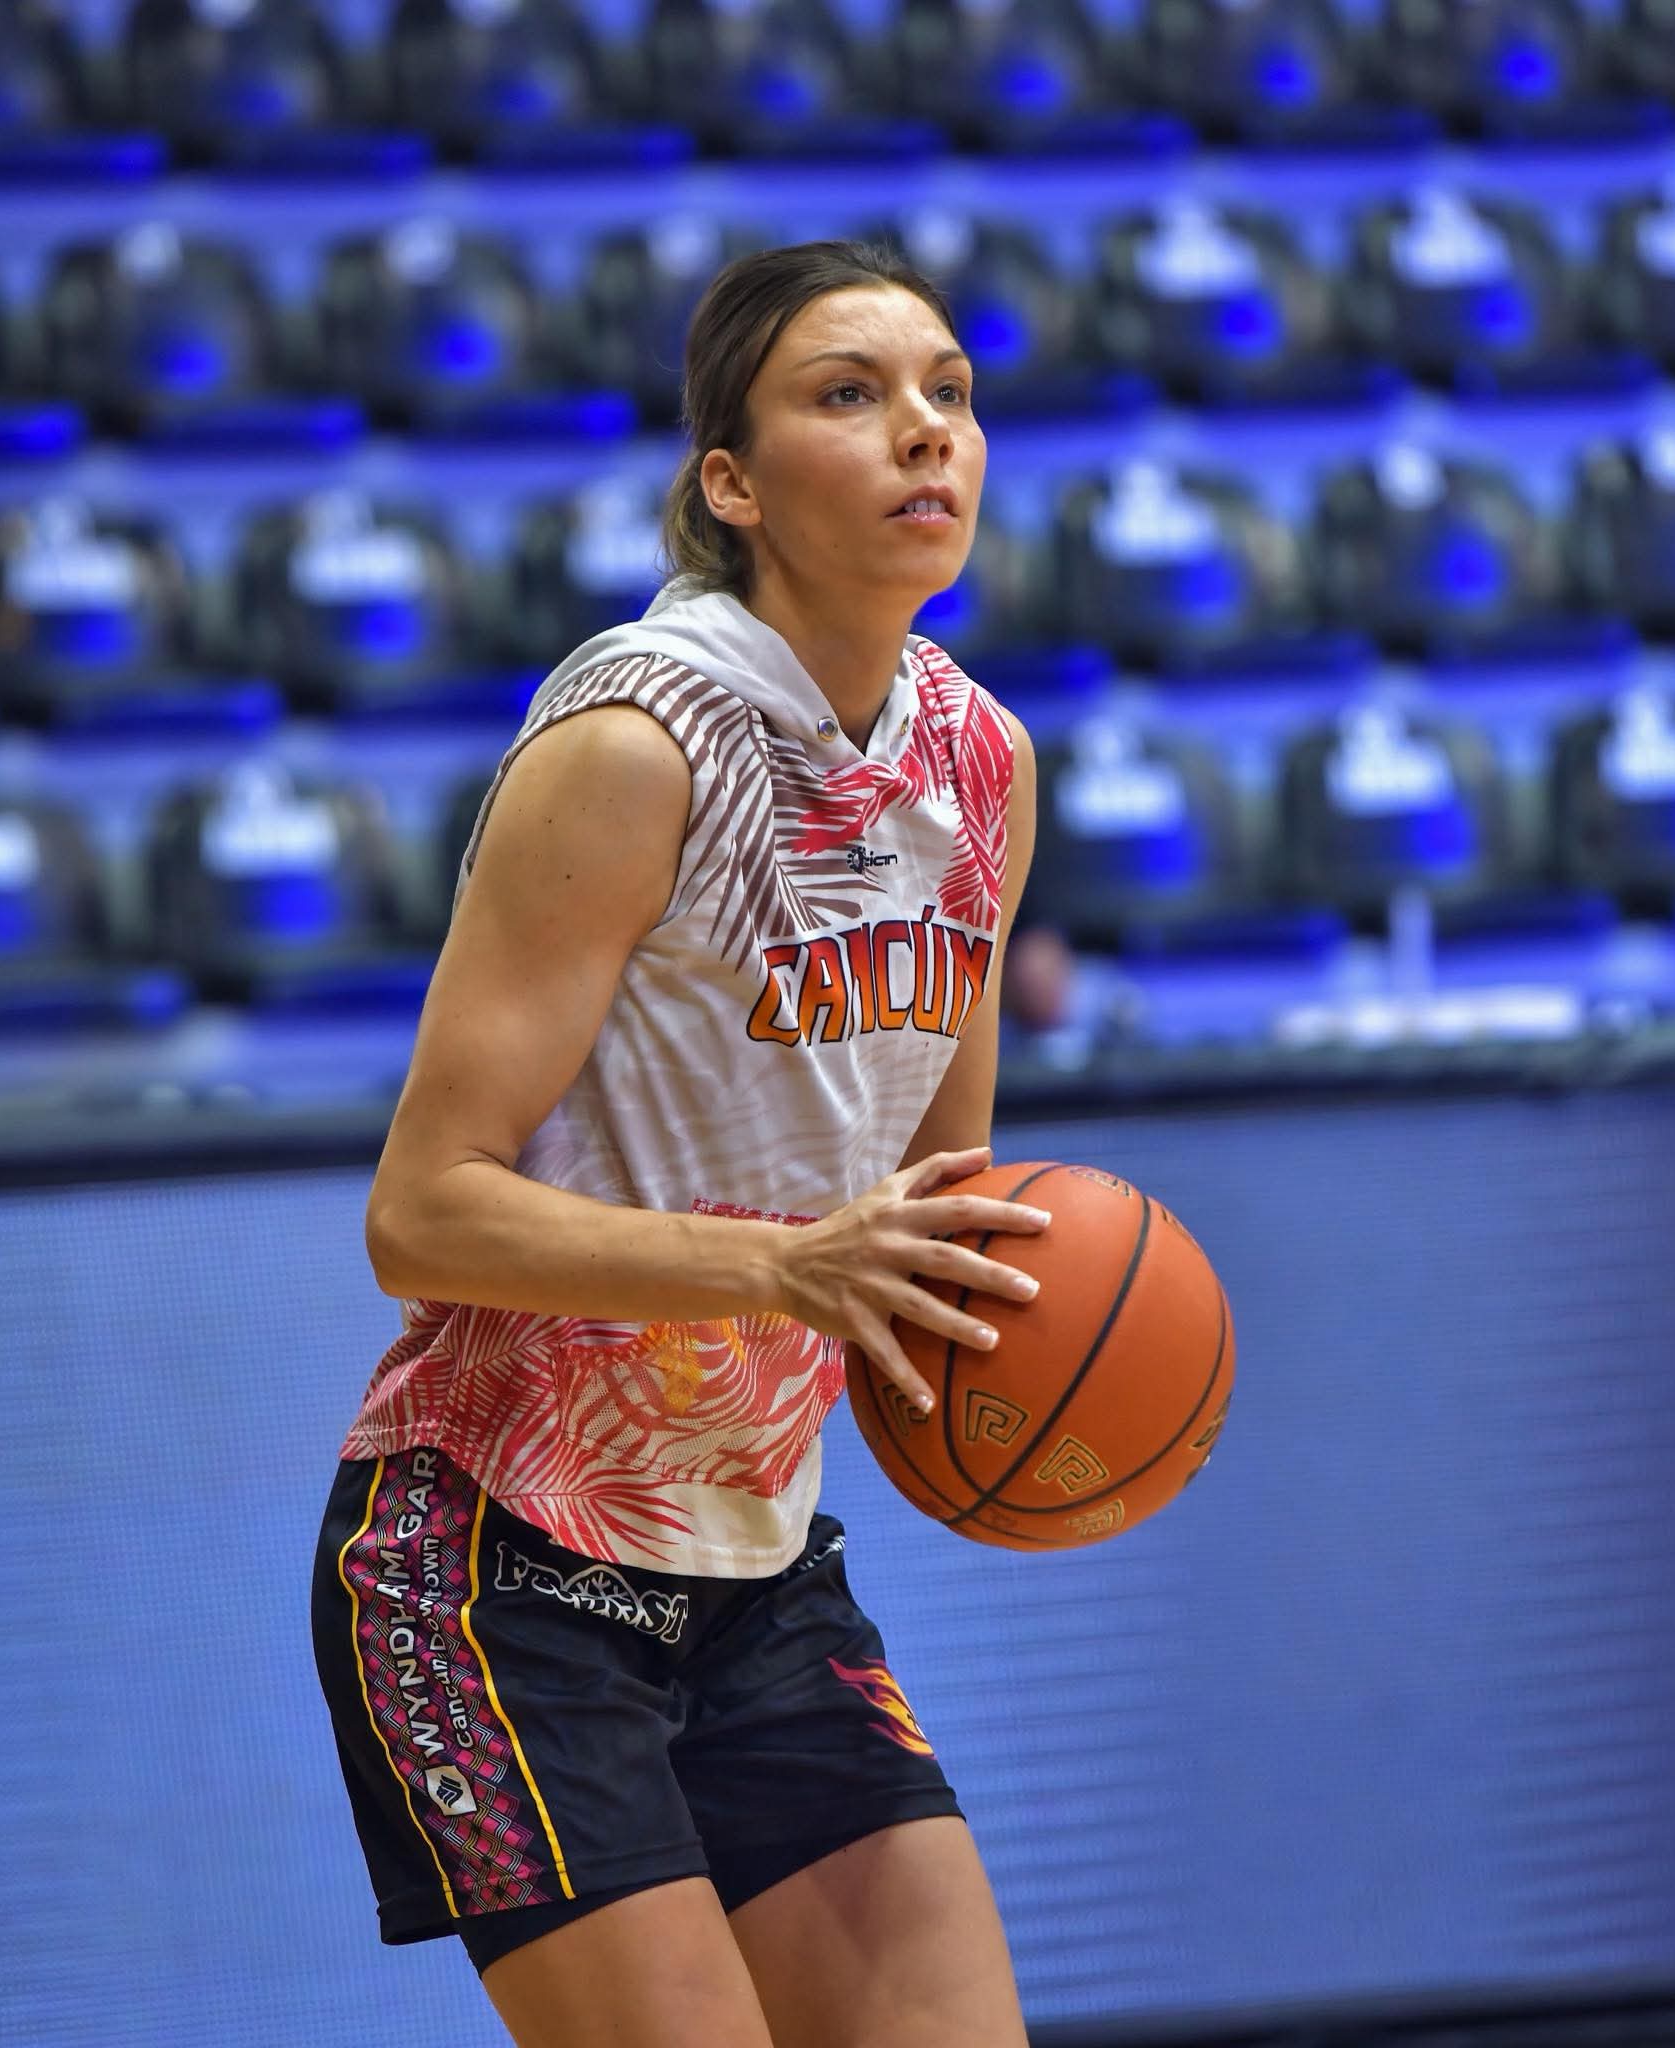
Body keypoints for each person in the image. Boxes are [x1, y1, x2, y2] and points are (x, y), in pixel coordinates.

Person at [310, 238, 1049, 2048]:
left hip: (759, 1568)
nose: (924, 432)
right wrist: (784, 1268)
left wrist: (1043, 1385)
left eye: (948, 392)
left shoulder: (982, 765)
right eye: (848, 395)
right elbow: (421, 1212)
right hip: (497, 1568)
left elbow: (929, 1213)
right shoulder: (639, 738)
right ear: (732, 483)